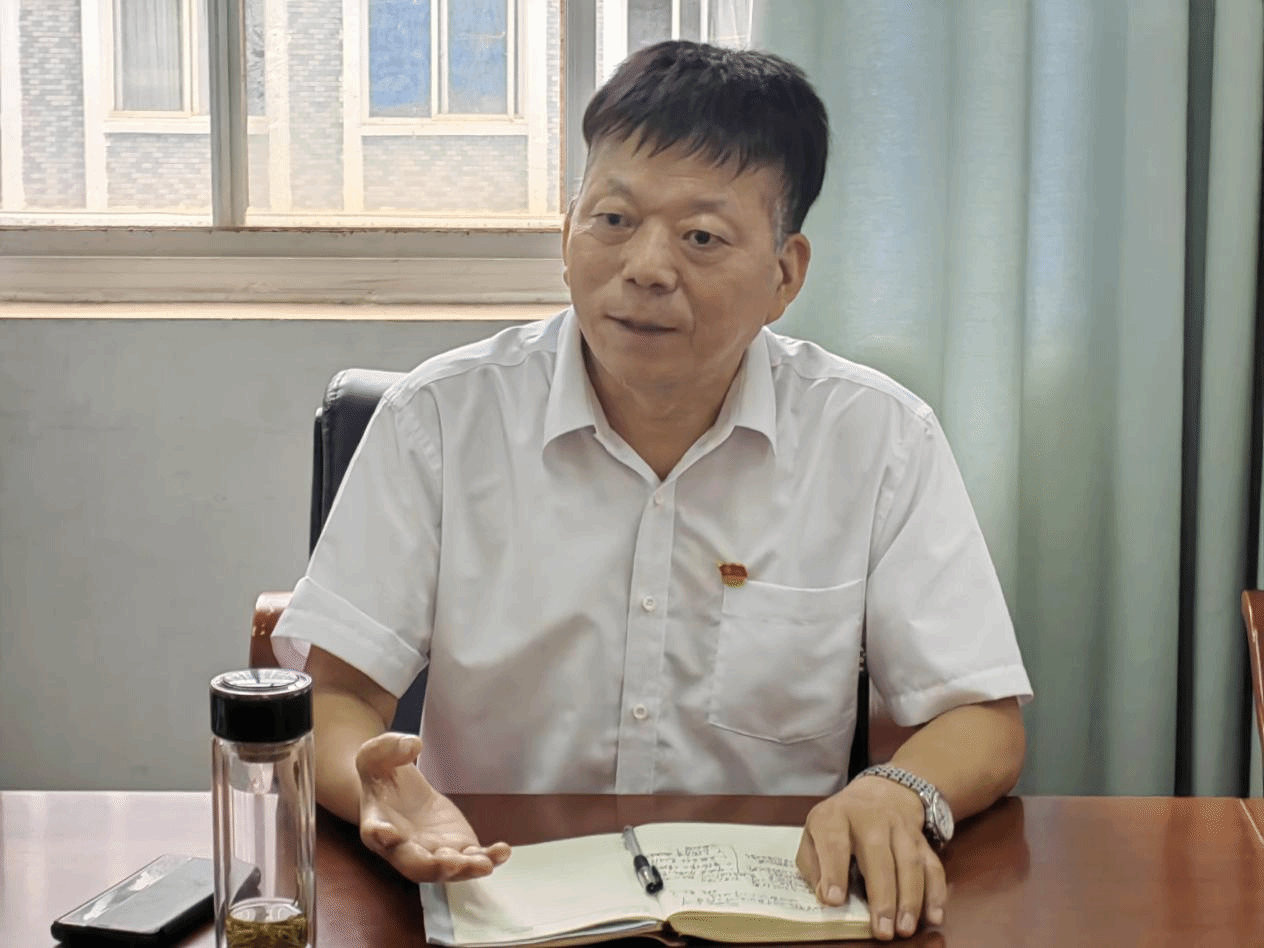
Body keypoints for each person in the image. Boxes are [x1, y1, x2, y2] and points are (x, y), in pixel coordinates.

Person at [272, 40, 1032, 942]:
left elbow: (981, 716)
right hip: (495, 890)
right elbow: (334, 697)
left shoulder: (877, 438)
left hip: (774, 914)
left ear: (785, 274)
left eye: (702, 237)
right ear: (566, 236)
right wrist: (375, 790)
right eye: (613, 219)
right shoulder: (437, 420)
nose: (646, 267)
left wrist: (899, 790)